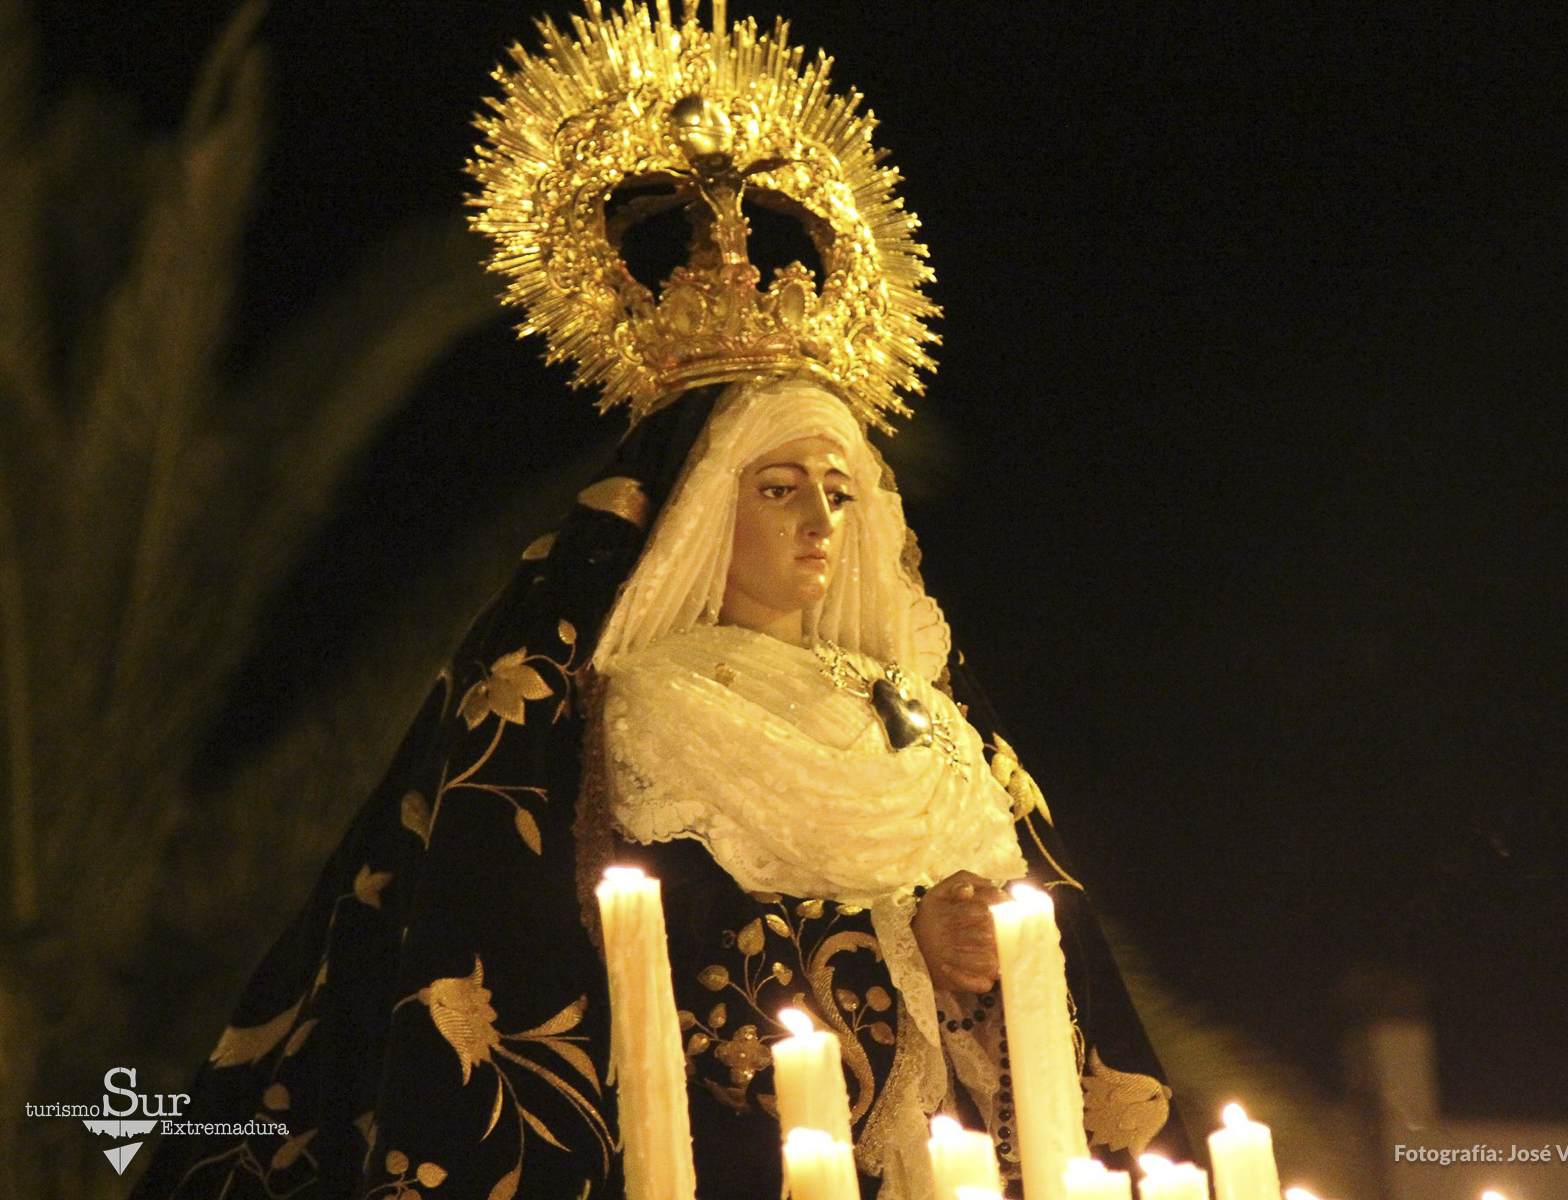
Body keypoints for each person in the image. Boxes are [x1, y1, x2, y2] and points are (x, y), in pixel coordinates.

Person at [132, 5, 1188, 1198]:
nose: (819, 520)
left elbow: (1049, 951)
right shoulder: (655, 702)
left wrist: (990, 953)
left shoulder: (931, 717)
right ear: (695, 516)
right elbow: (679, 959)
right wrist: (907, 941)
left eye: (840, 493)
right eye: (778, 489)